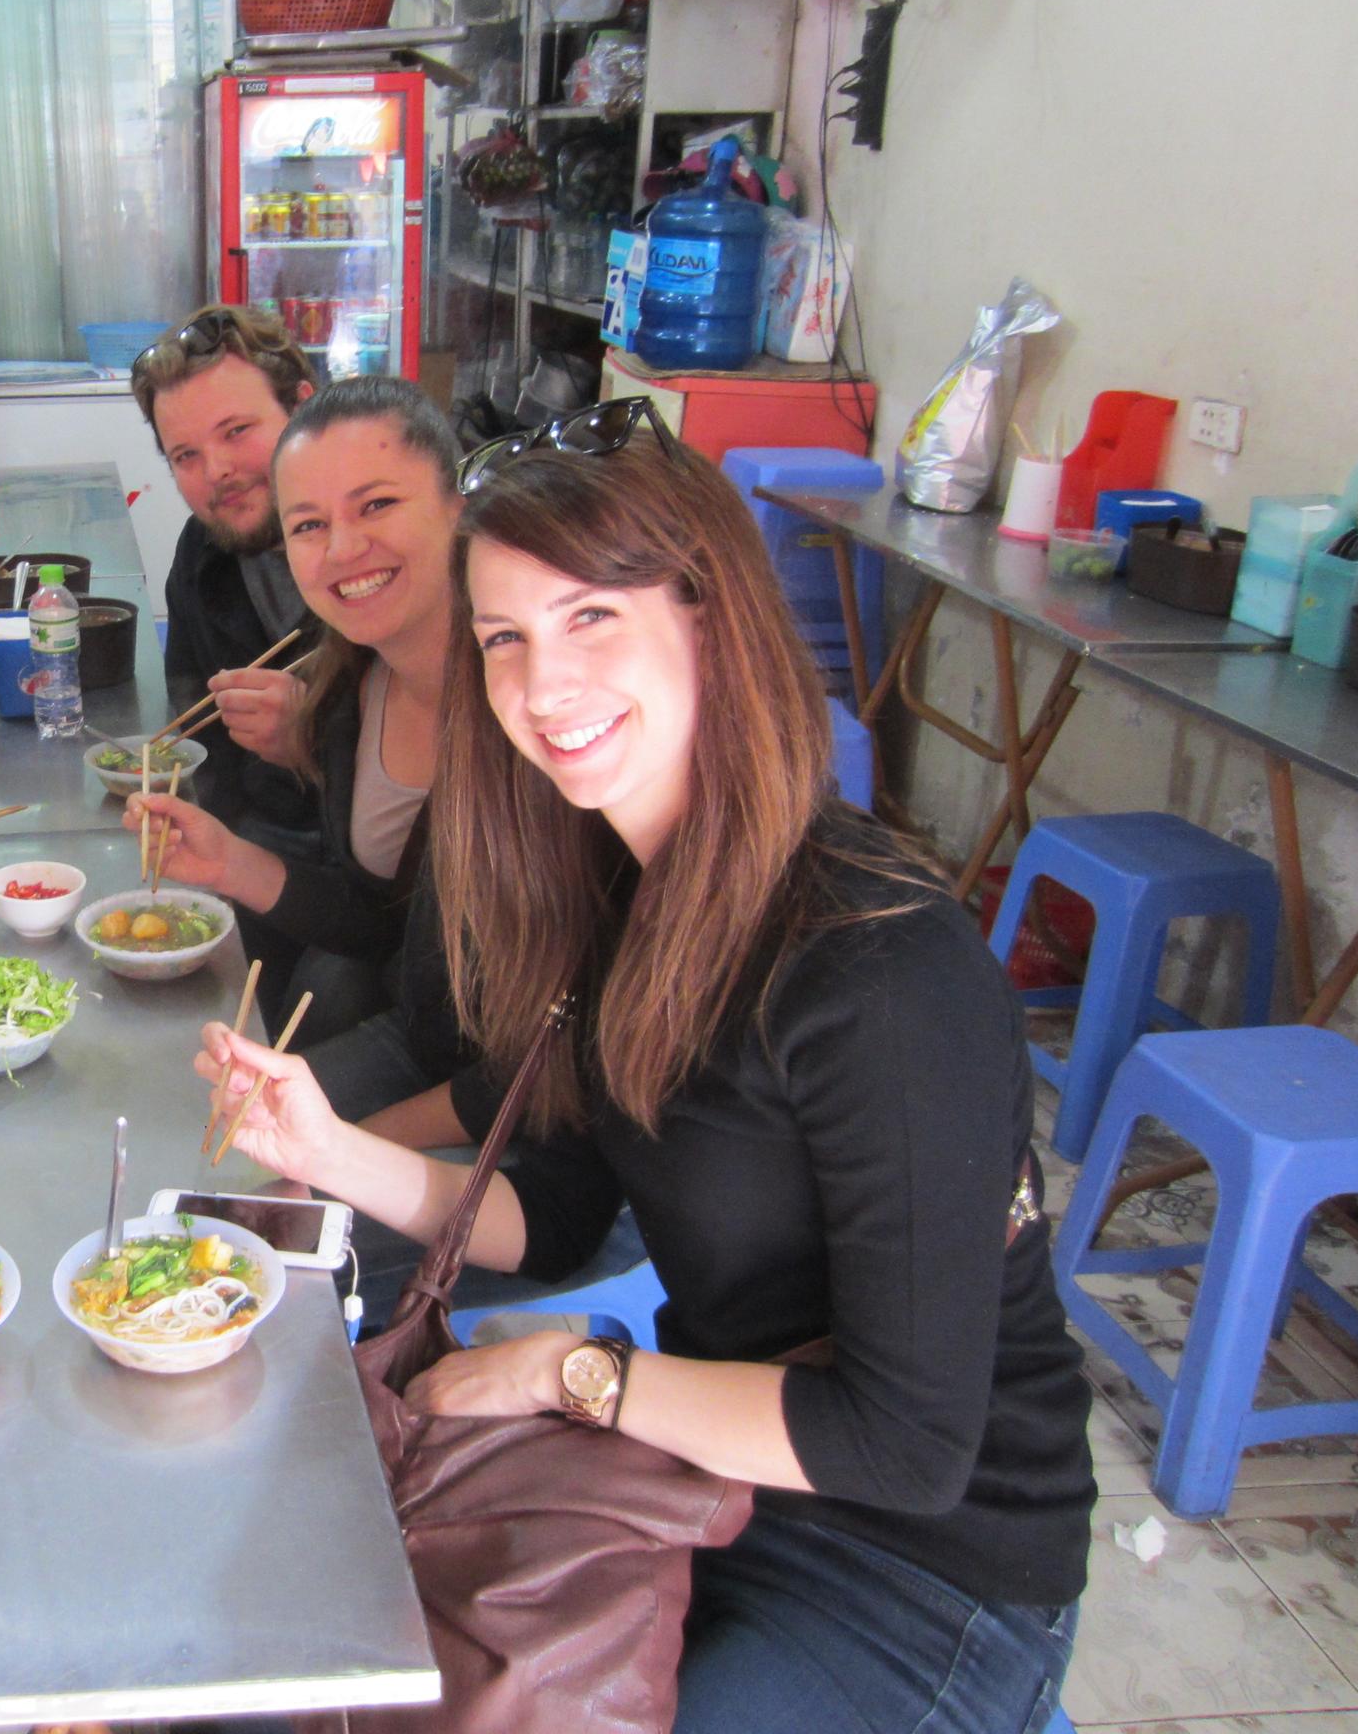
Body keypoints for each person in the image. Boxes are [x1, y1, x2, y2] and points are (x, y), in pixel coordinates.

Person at [197, 426, 1094, 1732]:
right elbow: (555, 1214)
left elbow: (906, 1444)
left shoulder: (880, 970)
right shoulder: (622, 898)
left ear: (708, 619)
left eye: (591, 618)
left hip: (925, 1571)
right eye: (504, 638)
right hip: (703, 1474)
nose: (541, 682)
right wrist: (326, 1149)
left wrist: (579, 1376)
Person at [129, 376, 463, 1047]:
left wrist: (332, 1118)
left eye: (377, 505)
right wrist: (228, 862)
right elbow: (383, 922)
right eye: (308, 525)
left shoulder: (526, 706)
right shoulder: (351, 679)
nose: (342, 550)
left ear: (461, 505)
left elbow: (529, 1056)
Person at [133, 304, 319, 857]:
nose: (217, 471)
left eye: (236, 431)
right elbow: (198, 737)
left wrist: (316, 745)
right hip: (248, 857)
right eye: (185, 455)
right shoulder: (202, 552)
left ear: (304, 409)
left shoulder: (383, 563)